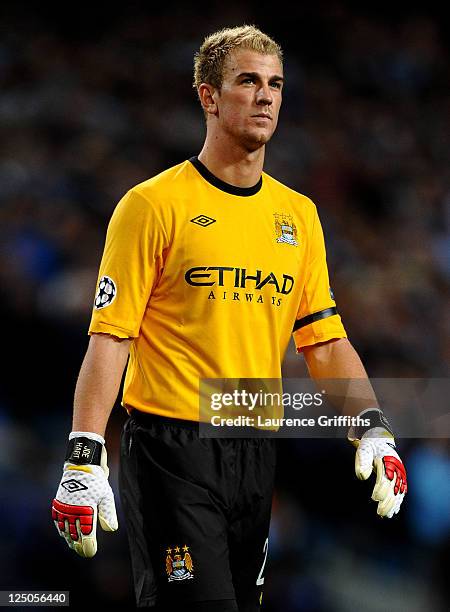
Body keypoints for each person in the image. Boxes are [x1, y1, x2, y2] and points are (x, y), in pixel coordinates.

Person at [51, 25, 407, 611]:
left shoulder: (299, 215)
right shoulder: (152, 206)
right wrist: (86, 453)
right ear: (208, 97)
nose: (266, 97)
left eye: (275, 84)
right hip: (171, 449)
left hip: (255, 446)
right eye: (248, 81)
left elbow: (324, 339)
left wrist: (371, 424)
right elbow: (111, 336)